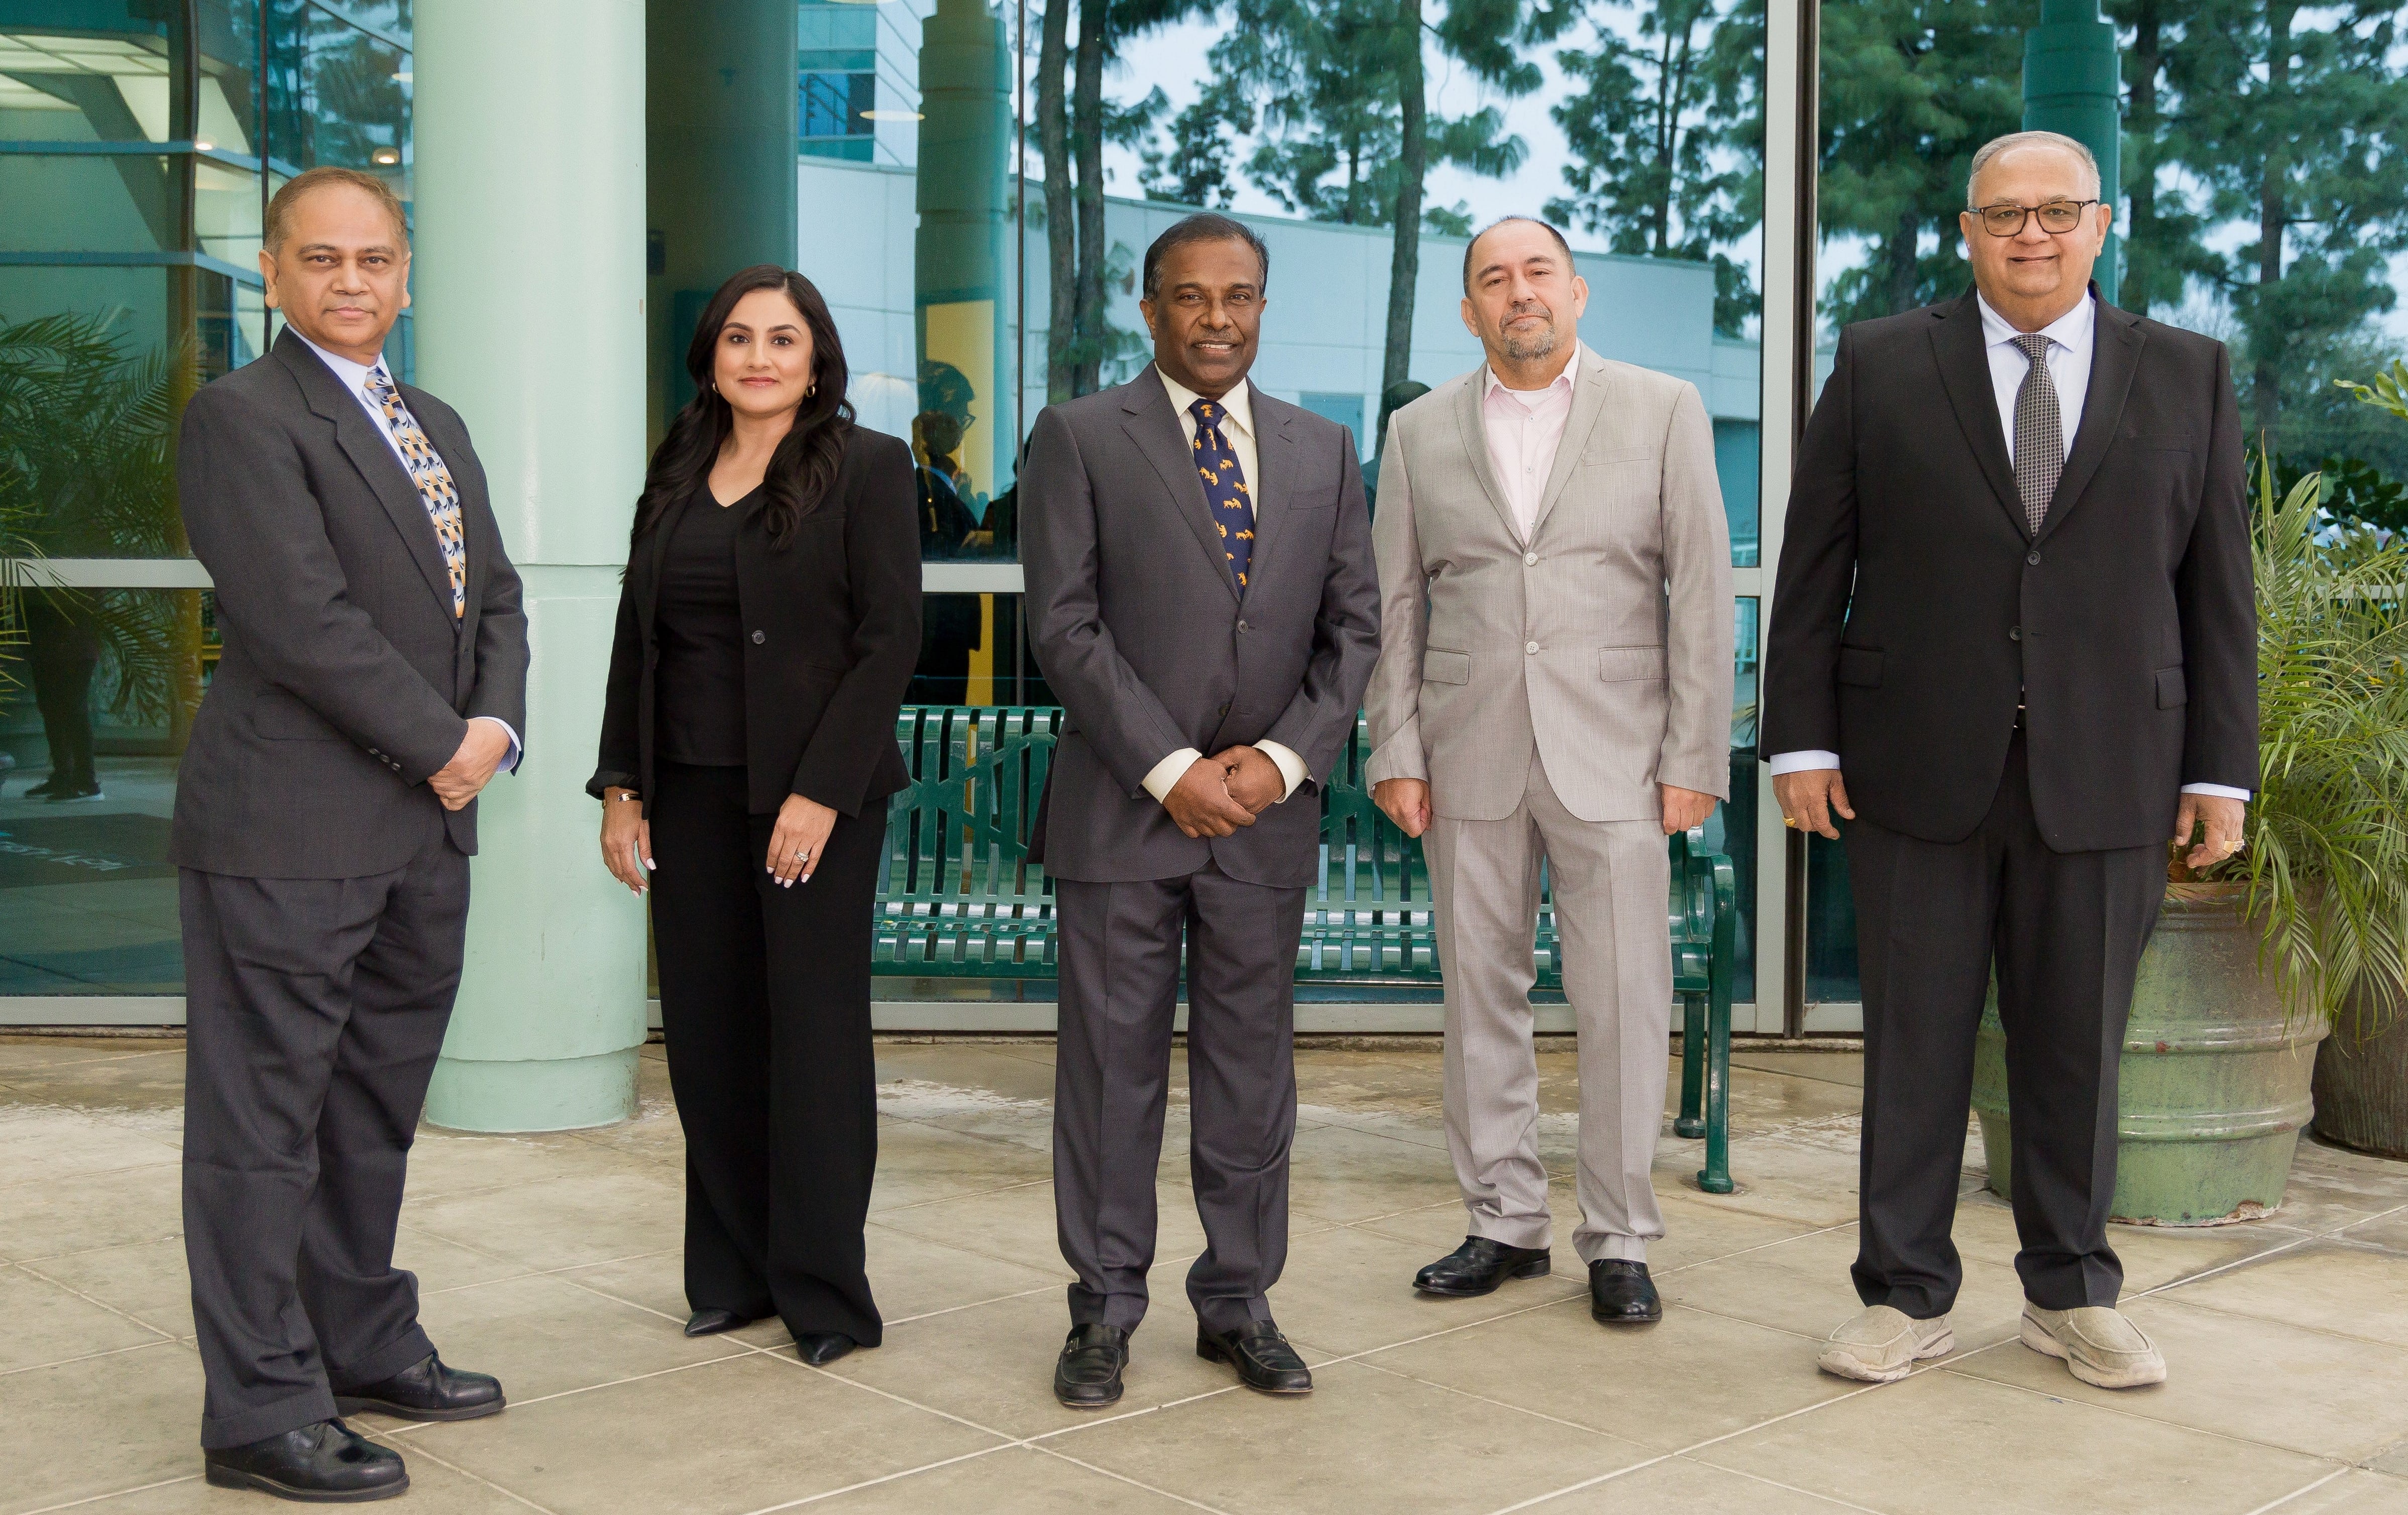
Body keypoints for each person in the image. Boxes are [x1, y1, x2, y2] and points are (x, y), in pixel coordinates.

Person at [1762, 131, 2254, 1389]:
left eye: (2055, 212)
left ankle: (2072, 1291)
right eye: (2003, 215)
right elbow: (1815, 568)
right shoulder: (1880, 363)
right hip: (1912, 765)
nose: (2030, 234)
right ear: (1966, 230)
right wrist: (1801, 737)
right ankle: (1904, 1291)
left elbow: (2217, 596)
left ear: (2102, 225)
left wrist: (2221, 773)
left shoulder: (2188, 373)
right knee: (1914, 1045)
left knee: (2079, 1047)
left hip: (2112, 770)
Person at [172, 165, 527, 1501]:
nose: (351, 282)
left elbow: (493, 597)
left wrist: (493, 728)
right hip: (287, 829)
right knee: (264, 1126)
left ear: (406, 272)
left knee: (371, 1110)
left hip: (422, 836)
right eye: (320, 260)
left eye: (373, 259)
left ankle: (360, 1340)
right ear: (273, 274)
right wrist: (446, 743)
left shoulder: (432, 420)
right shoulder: (243, 418)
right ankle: (259, 1409)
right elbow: (300, 622)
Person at [1021, 212, 1380, 1407]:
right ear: (1150, 304)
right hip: (1126, 815)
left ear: (1264, 306)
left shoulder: (1325, 448)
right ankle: (1105, 1309)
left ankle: (1238, 1301)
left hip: (1264, 821)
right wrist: (1174, 767)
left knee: (1249, 1075)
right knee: (1110, 1076)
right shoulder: (1078, 437)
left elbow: (1356, 631)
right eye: (1191, 296)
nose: (1217, 316)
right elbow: (1062, 627)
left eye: (1239, 296)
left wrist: (1281, 760)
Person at [1364, 216, 1734, 1327]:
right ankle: (1504, 1223)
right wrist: (1396, 746)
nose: (1518, 293)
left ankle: (1619, 1236)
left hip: (1619, 756)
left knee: (1625, 997)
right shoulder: (1419, 431)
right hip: (1466, 748)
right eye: (1493, 280)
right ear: (1468, 310)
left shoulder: (1662, 408)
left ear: (1577, 293)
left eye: (1537, 274)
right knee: (1481, 994)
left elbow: (1702, 594)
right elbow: (1396, 605)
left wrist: (1694, 758)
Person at [589, 265, 920, 1369]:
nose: (760, 358)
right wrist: (622, 785)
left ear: (817, 356)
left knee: (813, 1042)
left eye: (784, 339)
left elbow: (889, 642)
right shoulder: (679, 466)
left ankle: (825, 1291)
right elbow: (642, 636)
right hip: (685, 795)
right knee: (710, 1038)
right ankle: (732, 1275)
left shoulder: (868, 468)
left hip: (812, 803)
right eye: (739, 338)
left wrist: (819, 792)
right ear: (712, 357)